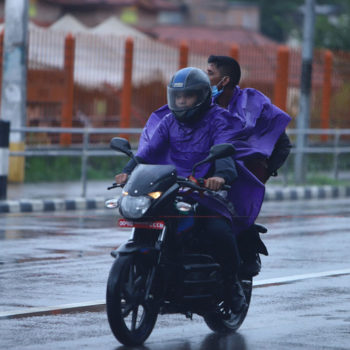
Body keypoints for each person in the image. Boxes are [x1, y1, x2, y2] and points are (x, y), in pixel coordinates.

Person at [115, 67, 257, 314]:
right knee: (148, 216)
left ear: (201, 96)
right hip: (171, 184)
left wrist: (219, 177)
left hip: (205, 190)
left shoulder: (218, 119)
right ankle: (153, 271)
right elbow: (147, 152)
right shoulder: (169, 121)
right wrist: (128, 171)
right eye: (177, 97)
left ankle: (231, 284)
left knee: (217, 230)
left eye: (187, 97)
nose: (181, 102)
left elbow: (226, 151)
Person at [207, 55, 292, 275]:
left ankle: (241, 261)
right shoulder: (200, 101)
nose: (204, 77)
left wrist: (261, 173)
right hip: (204, 168)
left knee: (235, 216)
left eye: (209, 73)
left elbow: (282, 143)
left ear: (223, 81)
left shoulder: (252, 104)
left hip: (243, 174)